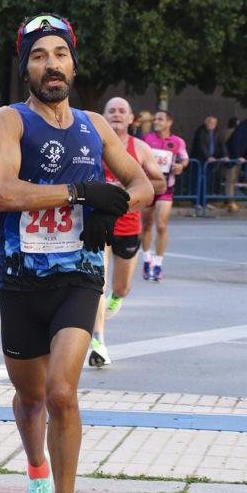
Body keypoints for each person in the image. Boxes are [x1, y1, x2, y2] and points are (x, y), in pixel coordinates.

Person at [0, 12, 152, 493]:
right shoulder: (7, 121)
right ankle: (36, 471)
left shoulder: (93, 125)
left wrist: (115, 207)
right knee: (31, 399)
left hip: (78, 276)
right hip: (20, 277)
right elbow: (6, 192)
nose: (51, 64)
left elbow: (142, 183)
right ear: (25, 68)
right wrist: (82, 194)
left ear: (73, 63)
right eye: (39, 56)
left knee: (61, 392)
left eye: (59, 54)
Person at [88, 97, 166, 368]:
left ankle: (116, 299)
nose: (117, 115)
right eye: (111, 110)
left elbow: (159, 182)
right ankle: (98, 342)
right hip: (99, 220)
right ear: (104, 116)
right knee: (98, 280)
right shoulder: (93, 144)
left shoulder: (140, 148)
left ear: (131, 118)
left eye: (122, 111)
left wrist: (133, 183)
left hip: (128, 223)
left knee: (120, 287)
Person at [141, 110, 187, 281]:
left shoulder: (177, 141)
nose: (156, 121)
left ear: (169, 122)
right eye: (155, 119)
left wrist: (181, 166)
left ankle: (158, 264)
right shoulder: (146, 139)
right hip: (148, 186)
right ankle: (147, 260)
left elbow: (185, 159)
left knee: (161, 225)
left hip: (167, 187)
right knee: (146, 225)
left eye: (160, 119)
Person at [191, 115, 228, 200]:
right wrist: (208, 156)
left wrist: (225, 155)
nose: (213, 125)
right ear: (206, 123)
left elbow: (221, 144)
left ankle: (205, 201)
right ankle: (196, 201)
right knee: (197, 181)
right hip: (200, 160)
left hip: (210, 162)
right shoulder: (201, 131)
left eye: (214, 123)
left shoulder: (217, 132)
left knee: (207, 181)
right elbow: (201, 145)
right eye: (211, 122)